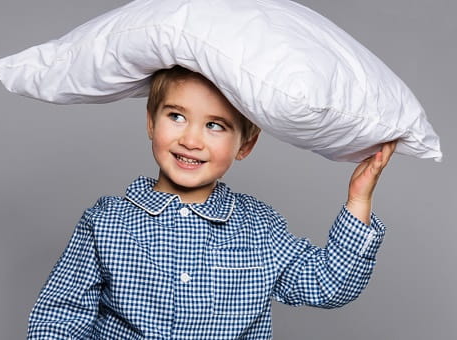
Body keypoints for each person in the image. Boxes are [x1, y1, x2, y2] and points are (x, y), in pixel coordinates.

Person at [27, 66, 397, 339]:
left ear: (245, 145)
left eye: (215, 125)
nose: (191, 139)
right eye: (176, 116)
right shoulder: (106, 222)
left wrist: (358, 199)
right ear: (151, 123)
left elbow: (327, 285)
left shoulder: (260, 228)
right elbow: (60, 316)